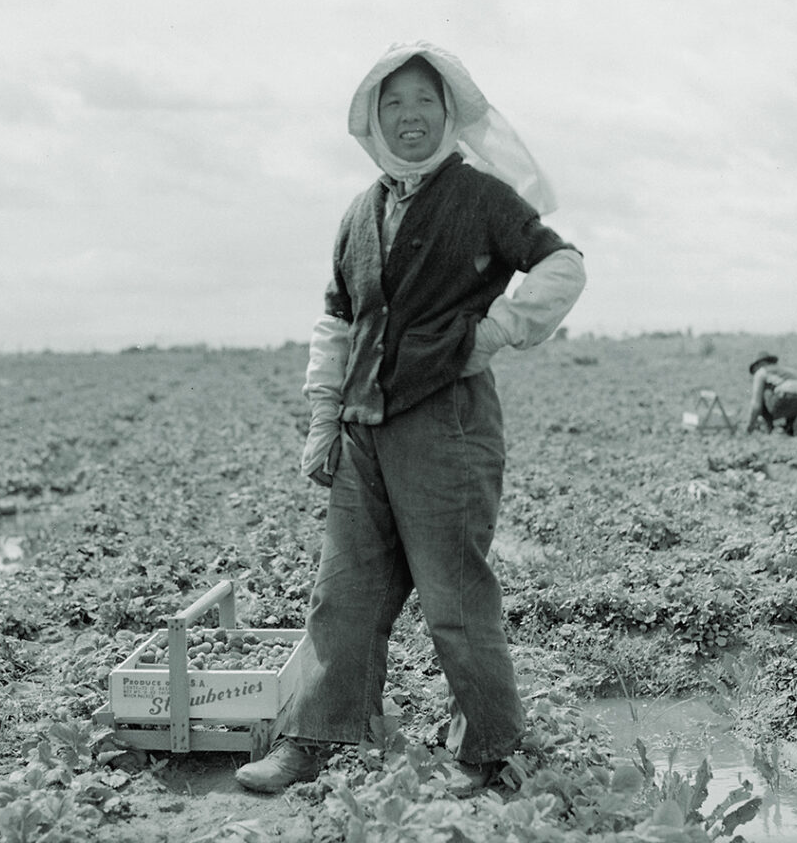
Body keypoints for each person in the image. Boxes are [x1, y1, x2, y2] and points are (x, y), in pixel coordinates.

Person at [235, 41, 586, 796]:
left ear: (448, 112)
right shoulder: (359, 212)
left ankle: (489, 752)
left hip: (447, 424)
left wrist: (495, 332)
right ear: (373, 119)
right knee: (343, 593)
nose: (410, 116)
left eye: (424, 100)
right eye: (393, 103)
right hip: (363, 429)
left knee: (454, 594)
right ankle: (311, 740)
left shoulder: (483, 197)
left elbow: (564, 263)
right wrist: (322, 418)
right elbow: (336, 324)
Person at [745, 350, 797, 435]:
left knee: (765, 394)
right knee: (795, 430)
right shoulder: (788, 371)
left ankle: (770, 429)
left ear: (759, 365)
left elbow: (756, 405)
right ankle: (796, 429)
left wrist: (750, 425)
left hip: (783, 402)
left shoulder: (761, 372)